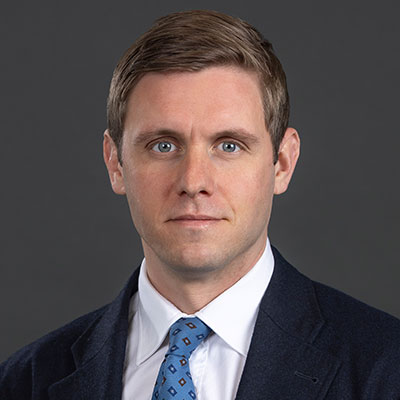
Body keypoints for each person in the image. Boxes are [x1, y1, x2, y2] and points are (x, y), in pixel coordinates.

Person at [1, 9, 399, 400]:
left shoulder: (386, 368)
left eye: (229, 146)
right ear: (115, 163)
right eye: (163, 145)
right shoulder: (23, 382)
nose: (193, 182)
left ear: (281, 162)